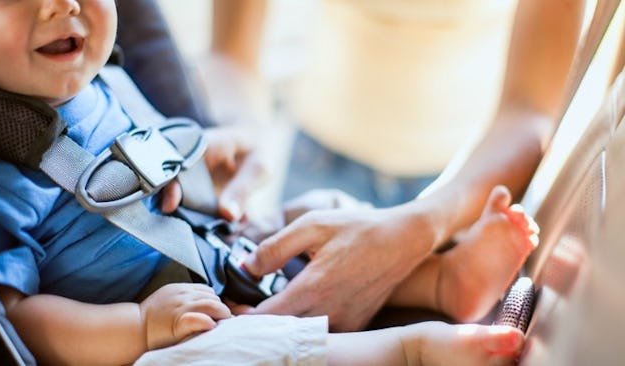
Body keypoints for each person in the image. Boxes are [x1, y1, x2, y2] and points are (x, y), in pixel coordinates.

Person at [0, 0, 532, 365]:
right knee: (242, 352)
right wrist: (140, 326)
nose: (62, 5)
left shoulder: (109, 82)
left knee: (314, 213)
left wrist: (201, 149)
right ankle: (409, 351)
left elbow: (158, 152)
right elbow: (17, 317)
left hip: (215, 252)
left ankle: (441, 280)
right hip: (157, 332)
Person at [205, 0, 588, 331]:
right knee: (277, 278)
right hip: (319, 167)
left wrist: (423, 223)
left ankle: (446, 278)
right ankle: (445, 279)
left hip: (465, 188)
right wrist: (237, 129)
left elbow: (531, 112)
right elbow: (230, 57)